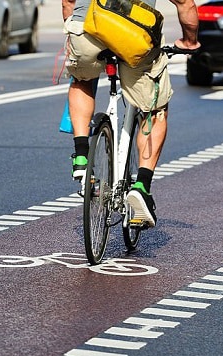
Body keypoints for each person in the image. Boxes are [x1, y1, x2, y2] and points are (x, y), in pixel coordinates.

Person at [62, 0, 200, 228]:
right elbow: (185, 4)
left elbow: (68, 2)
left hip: (87, 26)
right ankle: (141, 186)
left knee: (82, 79)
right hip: (133, 32)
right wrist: (189, 41)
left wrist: (73, 28)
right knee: (154, 109)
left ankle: (81, 156)